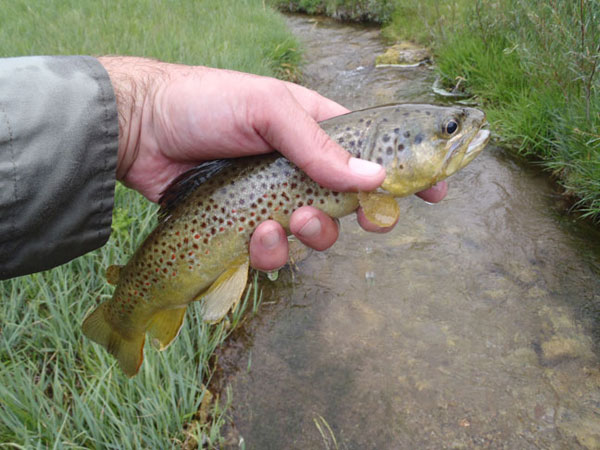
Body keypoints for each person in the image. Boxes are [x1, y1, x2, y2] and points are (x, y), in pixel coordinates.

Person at [0, 55, 447, 280]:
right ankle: (130, 306)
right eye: (448, 129)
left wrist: (141, 118)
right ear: (386, 150)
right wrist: (138, 115)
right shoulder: (362, 164)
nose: (457, 133)